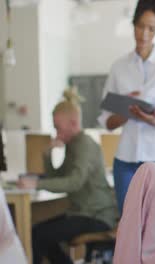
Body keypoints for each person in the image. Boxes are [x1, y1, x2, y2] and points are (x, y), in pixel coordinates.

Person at [98, 0, 155, 214]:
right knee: (129, 226)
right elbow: (107, 122)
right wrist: (127, 110)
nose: (144, 34)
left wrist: (152, 120)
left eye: (151, 28)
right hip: (126, 161)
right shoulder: (119, 67)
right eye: (140, 26)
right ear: (133, 23)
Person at [17, 88, 117, 264]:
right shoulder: (73, 145)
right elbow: (58, 176)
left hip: (96, 216)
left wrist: (36, 184)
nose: (56, 132)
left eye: (57, 127)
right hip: (82, 213)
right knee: (37, 233)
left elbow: (73, 183)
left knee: (38, 235)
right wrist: (47, 156)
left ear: (73, 123)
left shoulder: (84, 144)